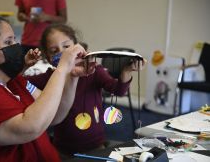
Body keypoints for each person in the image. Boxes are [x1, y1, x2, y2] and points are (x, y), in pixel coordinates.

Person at [0, 15, 95, 161]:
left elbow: (54, 114)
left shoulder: (11, 80)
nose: (16, 46)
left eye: (14, 39)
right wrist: (62, 68)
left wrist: (72, 76)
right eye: (8, 42)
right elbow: (29, 127)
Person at [26, 24, 146, 156]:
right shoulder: (49, 77)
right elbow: (20, 83)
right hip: (63, 148)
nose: (63, 53)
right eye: (54, 51)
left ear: (77, 47)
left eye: (66, 46)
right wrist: (25, 65)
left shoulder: (94, 72)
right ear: (48, 59)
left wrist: (126, 71)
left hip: (96, 145)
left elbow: (118, 91)